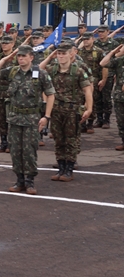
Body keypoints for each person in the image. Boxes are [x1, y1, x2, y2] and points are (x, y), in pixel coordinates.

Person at [0, 44, 55, 195]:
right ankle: (19, 180)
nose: (21, 58)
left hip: (32, 118)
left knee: (29, 151)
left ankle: (30, 181)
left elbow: (50, 94)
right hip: (15, 118)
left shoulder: (40, 73)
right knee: (16, 151)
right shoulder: (11, 72)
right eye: (19, 56)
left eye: (24, 56)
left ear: (31, 57)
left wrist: (47, 116)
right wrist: (5, 59)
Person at [38, 43, 93, 181]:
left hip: (72, 110)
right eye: (59, 54)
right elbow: (38, 69)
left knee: (71, 139)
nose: (61, 56)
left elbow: (87, 90)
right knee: (58, 139)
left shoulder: (78, 71)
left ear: (71, 54)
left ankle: (69, 169)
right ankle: (61, 167)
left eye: (64, 53)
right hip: (56, 109)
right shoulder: (52, 69)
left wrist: (89, 108)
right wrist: (50, 55)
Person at [76, 32, 108, 133]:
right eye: (84, 39)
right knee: (80, 101)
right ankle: (82, 123)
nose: (85, 41)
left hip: (93, 80)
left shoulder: (98, 51)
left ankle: (90, 123)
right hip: (80, 81)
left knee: (91, 101)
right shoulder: (79, 52)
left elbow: (104, 66)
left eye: (87, 39)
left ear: (92, 39)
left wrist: (103, 79)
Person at [99, 44, 124, 151]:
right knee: (121, 121)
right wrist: (112, 52)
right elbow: (102, 63)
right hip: (119, 96)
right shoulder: (120, 61)